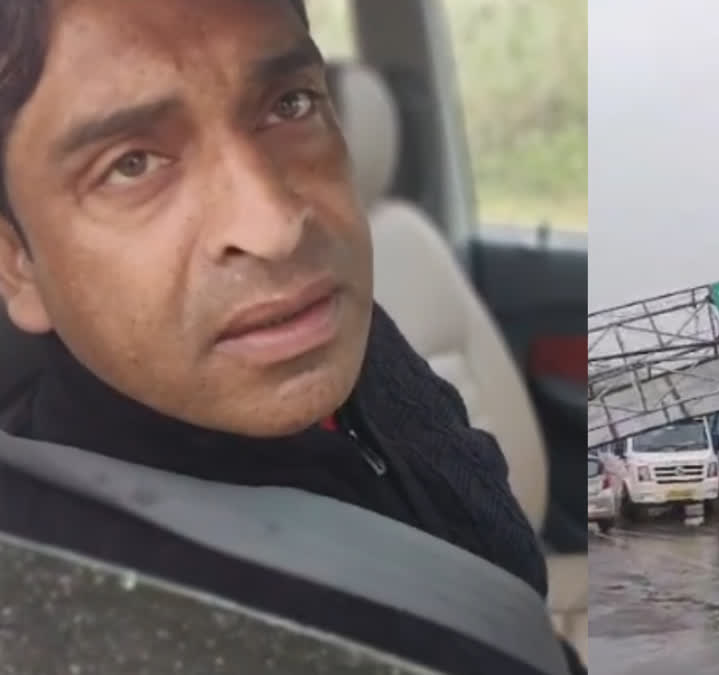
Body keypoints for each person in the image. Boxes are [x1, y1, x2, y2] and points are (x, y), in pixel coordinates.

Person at [0, 2, 583, 674]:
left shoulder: (347, 340)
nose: (276, 223)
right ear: (17, 261)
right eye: (132, 164)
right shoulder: (75, 598)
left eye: (291, 105)